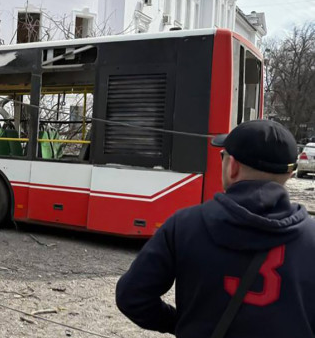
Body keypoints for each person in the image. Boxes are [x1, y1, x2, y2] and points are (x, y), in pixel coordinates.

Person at [115, 120, 315, 338]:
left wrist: (179, 323)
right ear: (290, 175)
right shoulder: (311, 237)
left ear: (232, 167)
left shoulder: (183, 225)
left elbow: (131, 296)